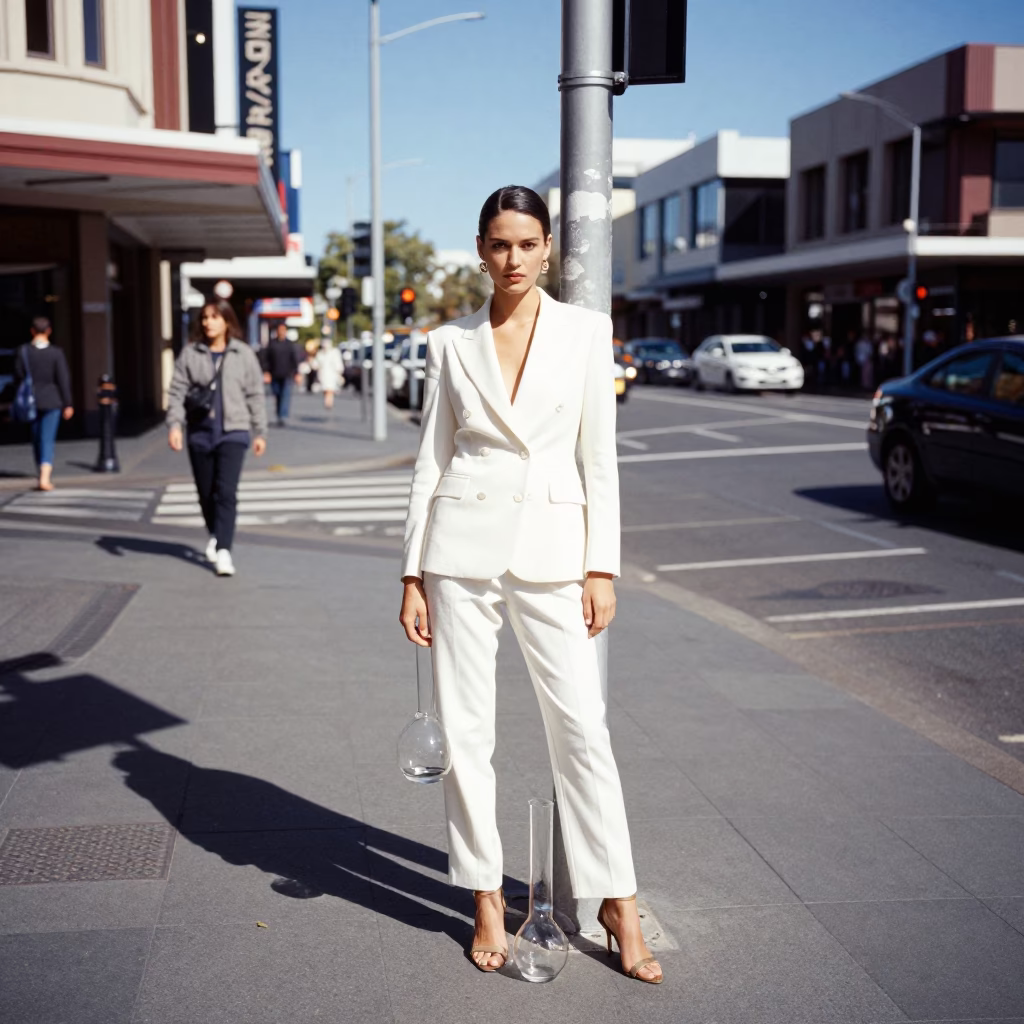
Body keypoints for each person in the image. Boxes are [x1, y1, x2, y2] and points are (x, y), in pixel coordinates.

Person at [398, 185, 662, 984]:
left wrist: (602, 564)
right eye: (498, 244)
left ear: (548, 249)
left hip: (554, 550)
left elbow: (598, 460)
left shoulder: (586, 333)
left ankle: (617, 898)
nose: (511, 259)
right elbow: (431, 463)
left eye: (526, 244)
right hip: (459, 552)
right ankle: (484, 893)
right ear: (480, 249)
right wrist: (412, 571)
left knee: (582, 729)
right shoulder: (451, 343)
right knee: (468, 736)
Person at [166, 298, 268, 577]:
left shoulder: (242, 353)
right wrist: (175, 425)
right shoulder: (191, 353)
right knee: (205, 492)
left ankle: (224, 549)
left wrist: (260, 431)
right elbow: (176, 391)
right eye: (205, 318)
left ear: (226, 321)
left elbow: (255, 394)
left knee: (226, 492)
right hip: (199, 432)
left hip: (234, 432)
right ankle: (215, 533)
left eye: (214, 317)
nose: (208, 322)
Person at [14, 317, 73, 491]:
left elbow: (18, 375)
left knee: (36, 438)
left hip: (31, 400)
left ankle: (40, 470)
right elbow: (63, 379)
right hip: (52, 400)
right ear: (49, 331)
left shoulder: (23, 352)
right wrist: (68, 403)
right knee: (47, 438)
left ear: (32, 331)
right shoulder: (56, 353)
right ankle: (45, 477)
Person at [260, 323, 301, 426]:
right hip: (274, 374)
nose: (282, 332)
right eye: (280, 330)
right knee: (277, 394)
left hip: (287, 374)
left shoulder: (289, 344)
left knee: (285, 395)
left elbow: (294, 359)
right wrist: (266, 372)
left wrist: (296, 373)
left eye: (283, 330)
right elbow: (265, 359)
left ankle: (283, 415)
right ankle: (279, 413)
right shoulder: (272, 344)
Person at [315, 340, 343, 409]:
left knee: (330, 389)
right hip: (323, 374)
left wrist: (339, 372)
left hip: (332, 374)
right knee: (326, 390)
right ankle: (328, 401)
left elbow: (338, 364)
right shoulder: (320, 353)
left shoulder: (334, 352)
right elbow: (316, 364)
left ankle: (329, 402)